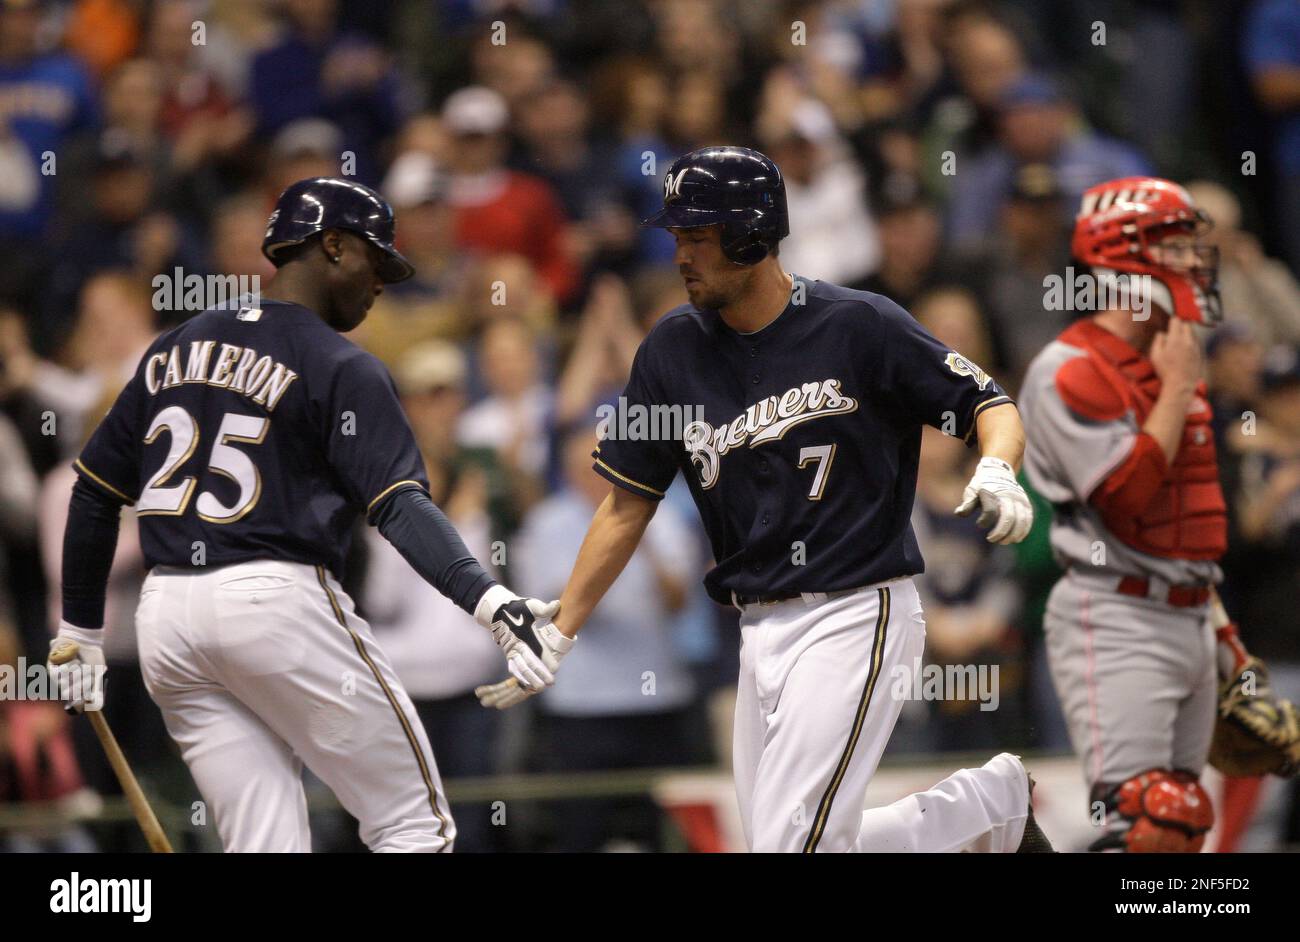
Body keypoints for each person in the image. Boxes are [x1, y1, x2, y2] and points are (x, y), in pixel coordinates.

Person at [476, 146, 1050, 854]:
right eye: (677, 236)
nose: (680, 254)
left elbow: (988, 402)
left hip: (854, 608)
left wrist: (997, 467)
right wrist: (565, 627)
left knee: (793, 846)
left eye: (696, 236)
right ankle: (981, 806)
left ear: (750, 237)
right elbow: (626, 505)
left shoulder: (856, 324)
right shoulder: (671, 351)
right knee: (794, 846)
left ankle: (980, 807)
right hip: (757, 627)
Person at [46, 177, 566, 853]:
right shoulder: (340, 363)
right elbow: (400, 507)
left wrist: (80, 628)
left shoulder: (175, 345)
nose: (381, 282)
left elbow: (92, 490)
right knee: (414, 824)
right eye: (374, 261)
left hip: (168, 619)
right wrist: (492, 601)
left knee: (264, 844)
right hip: (274, 602)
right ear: (333, 245)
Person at [1019, 177, 1228, 851]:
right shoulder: (1067, 368)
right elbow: (1127, 497)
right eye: (1176, 246)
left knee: (1183, 820)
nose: (1196, 260)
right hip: (1116, 614)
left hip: (1190, 612)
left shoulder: (1172, 352)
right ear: (1125, 257)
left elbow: (1189, 519)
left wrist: (1226, 640)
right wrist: (1174, 391)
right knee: (1144, 823)